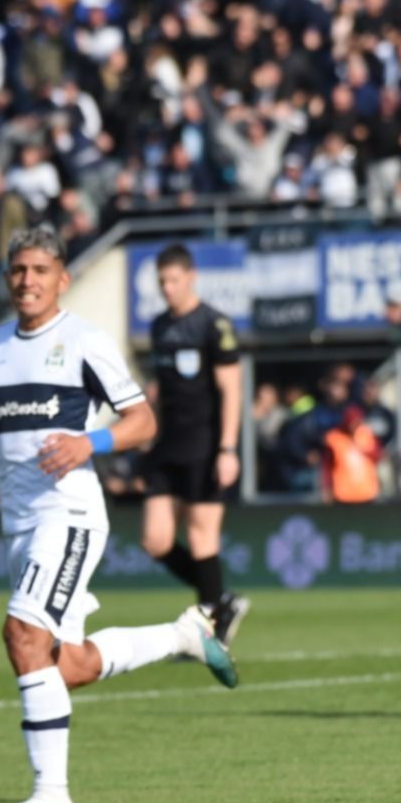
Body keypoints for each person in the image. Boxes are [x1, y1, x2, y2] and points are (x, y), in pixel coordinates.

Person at [0, 227, 237, 803]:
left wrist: (88, 442)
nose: (27, 280)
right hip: (19, 523)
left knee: (22, 636)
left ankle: (52, 794)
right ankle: (183, 635)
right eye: (18, 270)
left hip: (69, 514)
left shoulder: (83, 342)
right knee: (65, 663)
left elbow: (142, 420)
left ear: (62, 280)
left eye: (40, 270)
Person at [140, 244, 250, 644]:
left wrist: (228, 448)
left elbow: (231, 390)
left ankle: (211, 630)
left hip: (205, 445)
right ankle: (222, 600)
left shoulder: (213, 325)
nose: (167, 288)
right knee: (155, 540)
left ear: (191, 277)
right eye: (162, 282)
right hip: (168, 446)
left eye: (174, 280)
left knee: (203, 536)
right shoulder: (158, 327)